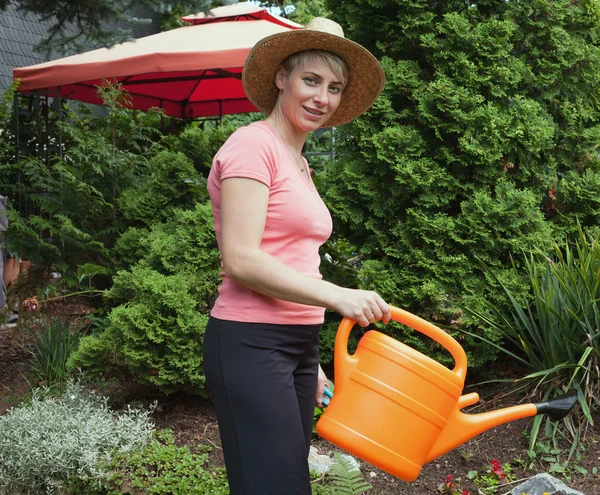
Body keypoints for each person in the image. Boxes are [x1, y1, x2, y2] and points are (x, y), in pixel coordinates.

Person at [204, 17, 390, 495]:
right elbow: (243, 260)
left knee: (289, 483)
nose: (322, 98)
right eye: (311, 80)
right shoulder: (252, 146)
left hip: (296, 346)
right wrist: (337, 295)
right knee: (272, 486)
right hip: (250, 343)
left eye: (334, 87)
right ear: (281, 77)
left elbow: (292, 256)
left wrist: (311, 359)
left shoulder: (298, 161)